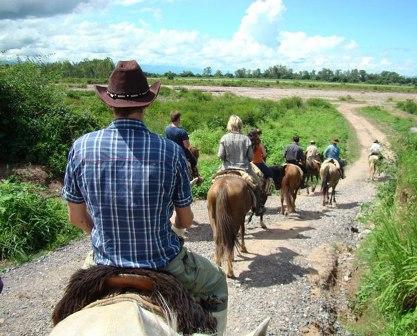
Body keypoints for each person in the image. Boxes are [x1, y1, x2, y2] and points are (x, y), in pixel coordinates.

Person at [61, 60, 228, 335]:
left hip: (103, 261)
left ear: (108, 103)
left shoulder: (81, 147)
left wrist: (101, 232)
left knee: (66, 307)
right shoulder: (170, 152)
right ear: (147, 103)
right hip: (163, 261)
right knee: (216, 283)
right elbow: (185, 220)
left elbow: (76, 217)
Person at [218, 115, 265, 215]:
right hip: (244, 169)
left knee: (213, 183)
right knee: (258, 185)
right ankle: (258, 208)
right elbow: (251, 157)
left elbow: (220, 156)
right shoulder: (246, 139)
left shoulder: (224, 138)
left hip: (226, 169)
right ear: (240, 125)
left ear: (229, 125)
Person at [165, 111, 201, 181]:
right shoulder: (182, 132)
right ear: (178, 119)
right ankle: (196, 177)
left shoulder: (167, 129)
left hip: (171, 151)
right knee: (194, 161)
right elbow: (187, 146)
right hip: (182, 153)